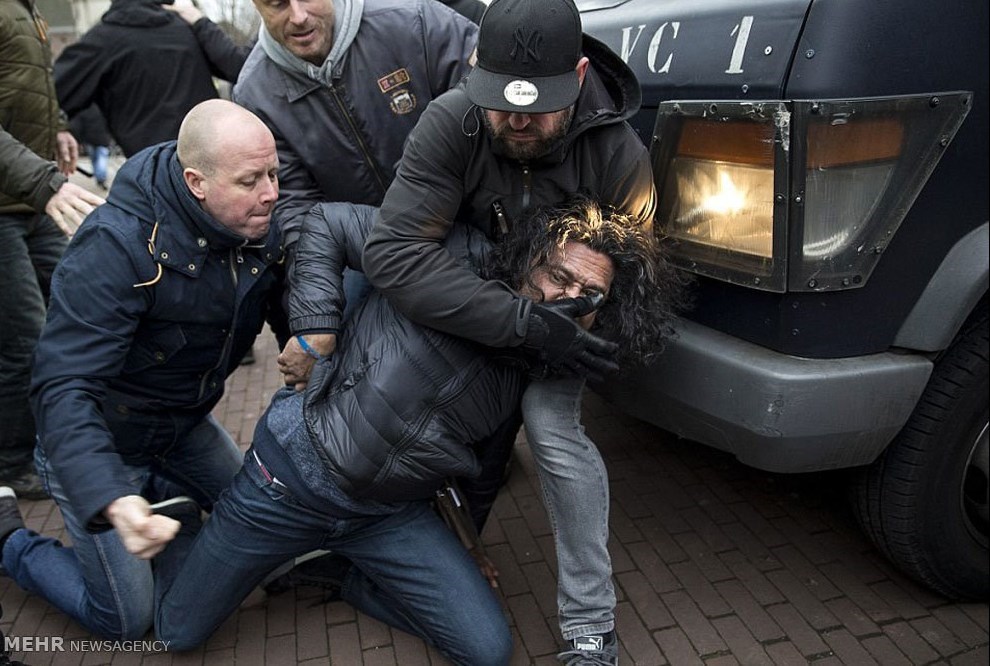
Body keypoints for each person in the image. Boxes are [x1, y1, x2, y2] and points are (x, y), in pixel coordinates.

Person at [152, 195, 679, 662]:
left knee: (487, 649)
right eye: (559, 277)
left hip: (384, 516)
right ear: (530, 257)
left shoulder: (537, 368)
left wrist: (468, 547)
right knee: (177, 632)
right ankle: (181, 521)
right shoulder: (452, 255)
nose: (569, 299)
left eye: (590, 295)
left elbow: (484, 467)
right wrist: (316, 329)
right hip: (287, 485)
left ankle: (347, 575)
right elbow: (326, 223)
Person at [361, 0, 659, 662]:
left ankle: (590, 625)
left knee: (552, 431)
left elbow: (629, 279)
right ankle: (394, 548)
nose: (518, 121)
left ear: (578, 76)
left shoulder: (618, 155)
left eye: (538, 107)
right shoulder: (452, 122)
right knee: (433, 419)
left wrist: (569, 326)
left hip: (565, 328)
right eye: (502, 102)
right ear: (476, 68)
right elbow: (394, 252)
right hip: (479, 309)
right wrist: (514, 319)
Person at [0, 99, 283, 641]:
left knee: (266, 525)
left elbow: (284, 295)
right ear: (196, 183)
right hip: (103, 442)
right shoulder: (114, 247)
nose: (271, 192)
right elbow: (62, 386)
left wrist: (309, 337)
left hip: (180, 425)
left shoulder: (254, 219)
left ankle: (169, 507)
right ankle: (10, 541)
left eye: (274, 173)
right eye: (251, 181)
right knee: (128, 619)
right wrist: (110, 495)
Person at [0, 0, 106, 500]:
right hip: (16, 203)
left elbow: (24, 87)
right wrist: (43, 182)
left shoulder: (26, 10)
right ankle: (12, 463)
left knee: (83, 307)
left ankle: (72, 435)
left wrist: (59, 125)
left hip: (30, 201)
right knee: (24, 338)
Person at [54, 0, 247, 157]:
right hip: (210, 155)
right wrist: (201, 22)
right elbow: (242, 70)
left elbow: (53, 94)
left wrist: (60, 127)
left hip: (152, 167)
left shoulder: (104, 40)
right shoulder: (188, 29)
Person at [69, 105, 113, 190]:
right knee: (102, 157)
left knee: (94, 159)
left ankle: (98, 176)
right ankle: (101, 177)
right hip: (102, 138)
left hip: (89, 139)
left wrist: (79, 140)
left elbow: (78, 126)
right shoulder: (102, 109)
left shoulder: (83, 110)